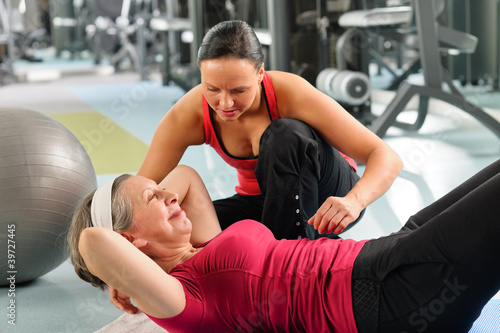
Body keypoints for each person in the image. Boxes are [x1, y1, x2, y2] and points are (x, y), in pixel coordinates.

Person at [68, 161, 500, 333]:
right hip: (392, 294)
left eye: (163, 192)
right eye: (153, 199)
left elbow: (185, 176)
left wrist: (148, 198)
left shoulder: (201, 246)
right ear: (129, 241)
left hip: (388, 253)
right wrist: (116, 276)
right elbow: (94, 239)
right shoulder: (183, 301)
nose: (170, 195)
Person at [137, 20, 403, 240]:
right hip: (266, 203)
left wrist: (355, 201)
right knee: (180, 228)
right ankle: (287, 246)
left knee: (284, 134)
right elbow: (139, 192)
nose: (225, 103)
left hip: (330, 196)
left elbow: (386, 156)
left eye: (239, 90)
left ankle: (290, 258)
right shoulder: (189, 114)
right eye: (212, 89)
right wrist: (121, 268)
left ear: (260, 73)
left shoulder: (291, 92)